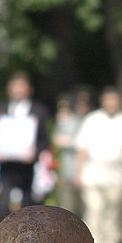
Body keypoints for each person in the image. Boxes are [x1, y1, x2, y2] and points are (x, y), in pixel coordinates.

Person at [74, 87, 122, 243]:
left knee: (113, 217)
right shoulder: (92, 120)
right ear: (103, 101)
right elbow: (81, 149)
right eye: (108, 100)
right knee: (94, 211)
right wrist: (78, 172)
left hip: (117, 178)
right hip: (93, 176)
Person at [0, 71, 49, 224]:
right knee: (3, 206)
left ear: (29, 89)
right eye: (15, 86)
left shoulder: (39, 111)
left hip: (28, 169)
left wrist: (35, 152)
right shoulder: (0, 110)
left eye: (21, 86)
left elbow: (44, 141)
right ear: (9, 89)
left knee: (27, 208)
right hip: (6, 168)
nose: (18, 90)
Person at [52, 88, 91, 217]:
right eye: (79, 103)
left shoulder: (91, 121)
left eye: (85, 103)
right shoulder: (66, 121)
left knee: (86, 214)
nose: (81, 106)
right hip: (68, 174)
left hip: (88, 177)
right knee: (66, 212)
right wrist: (77, 143)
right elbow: (57, 139)